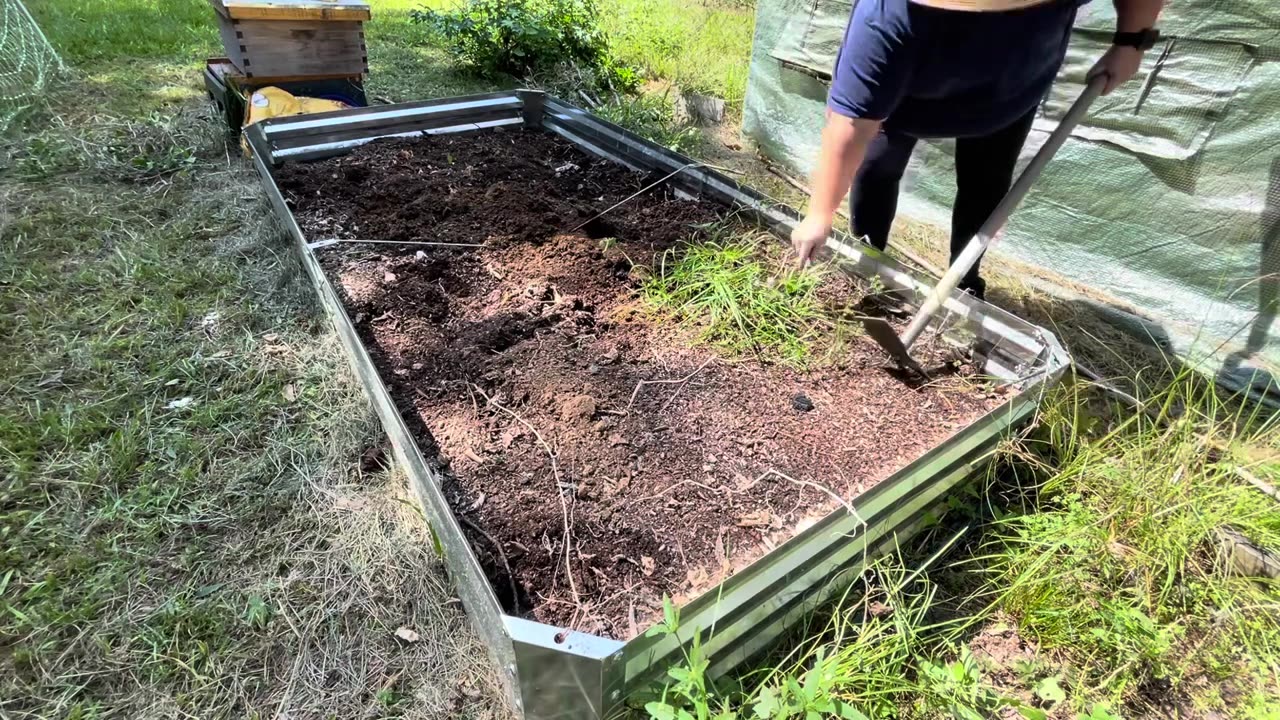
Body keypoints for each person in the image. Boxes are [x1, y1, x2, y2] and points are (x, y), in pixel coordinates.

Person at [790, 0, 1163, 300]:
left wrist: (1131, 43)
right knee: (877, 169)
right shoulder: (886, 17)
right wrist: (819, 215)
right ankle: (869, 264)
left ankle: (962, 283)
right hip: (904, 105)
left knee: (985, 184)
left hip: (1011, 95)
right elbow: (851, 125)